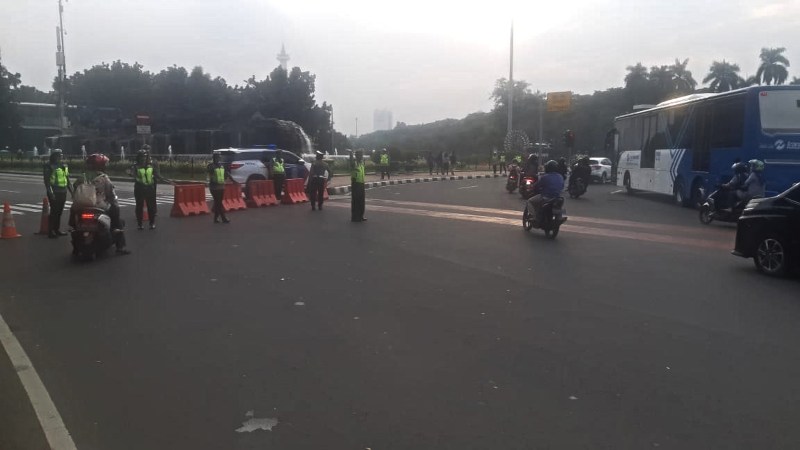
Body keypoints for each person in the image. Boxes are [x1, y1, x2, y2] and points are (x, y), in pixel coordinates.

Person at [82, 154, 130, 254]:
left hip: (82, 206)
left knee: (74, 222)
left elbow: (75, 190)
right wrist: (112, 201)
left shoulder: (82, 176)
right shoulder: (103, 178)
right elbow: (111, 195)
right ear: (100, 165)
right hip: (99, 206)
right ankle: (120, 246)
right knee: (116, 216)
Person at [130, 146, 169, 230]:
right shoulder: (135, 166)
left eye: (144, 157)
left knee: (151, 207)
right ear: (138, 158)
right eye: (141, 157)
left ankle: (152, 223)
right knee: (139, 207)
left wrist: (164, 179)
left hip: (150, 188)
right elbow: (133, 175)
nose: (143, 159)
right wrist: (131, 174)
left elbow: (157, 175)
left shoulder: (151, 166)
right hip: (139, 189)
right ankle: (140, 224)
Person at [43, 149, 73, 238]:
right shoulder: (49, 166)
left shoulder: (64, 165)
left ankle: (57, 229)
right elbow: (47, 182)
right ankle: (51, 231)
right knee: (54, 212)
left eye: (61, 155)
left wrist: (72, 192)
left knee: (59, 212)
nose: (60, 157)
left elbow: (67, 180)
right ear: (54, 156)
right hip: (54, 192)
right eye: (58, 155)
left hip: (63, 192)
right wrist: (51, 193)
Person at [207, 152, 235, 223]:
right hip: (214, 187)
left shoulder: (221, 166)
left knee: (218, 203)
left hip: (221, 187)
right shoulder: (211, 166)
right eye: (216, 157)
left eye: (219, 157)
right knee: (218, 203)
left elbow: (227, 174)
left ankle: (216, 219)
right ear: (213, 158)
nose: (218, 158)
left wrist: (234, 181)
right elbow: (208, 175)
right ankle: (223, 218)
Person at [349, 149, 367, 222]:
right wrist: (351, 154)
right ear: (357, 156)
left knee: (361, 201)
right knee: (355, 200)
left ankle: (361, 216)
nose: (362, 156)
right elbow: (351, 162)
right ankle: (354, 217)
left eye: (362, 155)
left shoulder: (361, 163)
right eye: (360, 155)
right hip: (356, 184)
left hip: (361, 183)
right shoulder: (354, 163)